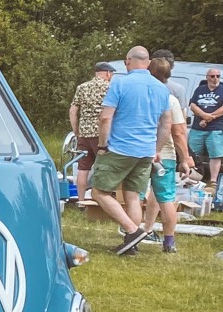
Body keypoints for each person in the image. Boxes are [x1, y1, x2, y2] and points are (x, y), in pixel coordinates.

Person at [89, 46, 175, 255]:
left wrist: (102, 145)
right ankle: (131, 245)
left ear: (128, 61)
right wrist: (156, 149)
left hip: (120, 148)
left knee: (98, 192)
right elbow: (166, 124)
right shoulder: (162, 88)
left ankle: (132, 231)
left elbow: (105, 117)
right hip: (146, 151)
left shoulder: (120, 83)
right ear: (147, 62)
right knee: (133, 196)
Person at [139, 58, 195, 253]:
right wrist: (186, 159)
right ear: (168, 74)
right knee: (166, 198)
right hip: (166, 155)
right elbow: (179, 132)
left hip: (138, 152)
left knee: (134, 195)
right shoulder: (171, 100)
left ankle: (133, 236)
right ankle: (169, 242)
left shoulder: (140, 95)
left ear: (148, 71)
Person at [68, 61, 116, 200]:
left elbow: (73, 111)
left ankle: (81, 200)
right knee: (104, 168)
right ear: (107, 73)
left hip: (84, 134)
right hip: (102, 135)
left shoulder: (82, 87)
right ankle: (101, 199)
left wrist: (76, 131)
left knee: (83, 168)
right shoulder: (110, 88)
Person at [187, 68, 223, 183]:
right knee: (192, 154)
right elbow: (192, 105)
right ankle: (191, 178)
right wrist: (204, 115)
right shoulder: (200, 89)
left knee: (215, 155)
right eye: (212, 76)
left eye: (218, 76)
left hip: (216, 129)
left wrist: (207, 118)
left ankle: (213, 181)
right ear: (207, 77)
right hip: (197, 128)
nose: (215, 78)